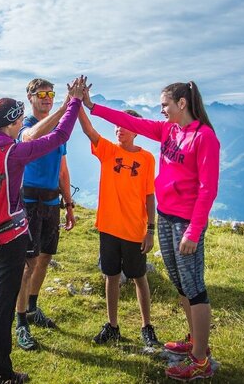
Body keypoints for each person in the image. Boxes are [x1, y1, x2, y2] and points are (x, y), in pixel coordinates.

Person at [0, 77, 86, 384]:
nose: (23, 122)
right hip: (8, 236)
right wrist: (73, 102)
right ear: (14, 122)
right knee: (2, 302)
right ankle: (1, 372)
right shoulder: (14, 152)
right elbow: (61, 133)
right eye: (21, 118)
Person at [83, 81, 220, 381]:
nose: (161, 110)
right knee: (181, 283)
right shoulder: (169, 131)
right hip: (166, 217)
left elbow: (208, 189)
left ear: (182, 104)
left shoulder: (204, 137)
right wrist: (91, 106)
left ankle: (200, 361)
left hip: (185, 224)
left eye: (165, 105)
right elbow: (130, 121)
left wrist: (194, 232)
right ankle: (195, 340)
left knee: (195, 288)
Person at [77, 105, 160, 348]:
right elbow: (88, 129)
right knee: (111, 276)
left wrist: (151, 230)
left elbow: (149, 196)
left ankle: (147, 326)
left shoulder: (146, 158)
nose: (118, 128)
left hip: (135, 229)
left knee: (139, 277)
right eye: (117, 124)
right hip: (109, 227)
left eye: (125, 125)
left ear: (136, 131)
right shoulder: (108, 151)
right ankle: (112, 326)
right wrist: (77, 103)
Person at [13, 78, 77, 351]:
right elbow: (31, 137)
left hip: (52, 202)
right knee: (28, 263)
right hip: (29, 201)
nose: (47, 98)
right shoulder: (26, 126)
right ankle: (20, 323)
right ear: (30, 98)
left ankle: (32, 307)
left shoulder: (57, 130)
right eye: (41, 94)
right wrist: (64, 108)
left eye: (50, 93)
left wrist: (69, 204)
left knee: (45, 258)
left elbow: (62, 169)